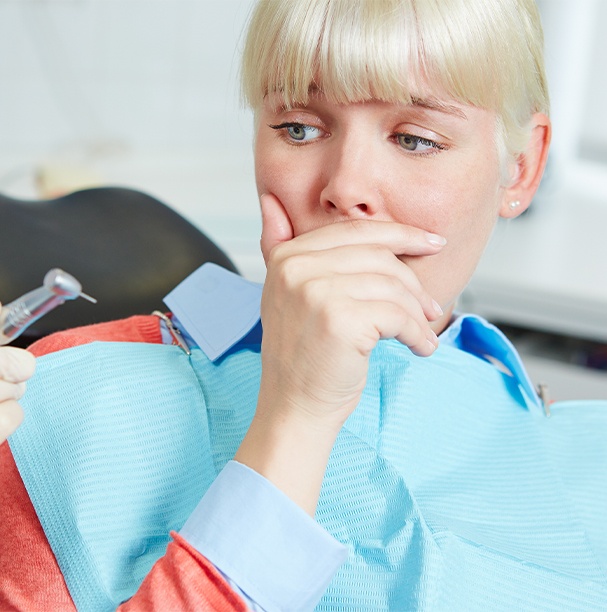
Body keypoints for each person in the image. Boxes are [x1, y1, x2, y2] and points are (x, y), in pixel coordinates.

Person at [1, 0, 606, 610]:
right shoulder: (57, 409)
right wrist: (297, 418)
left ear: (522, 169)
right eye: (299, 128)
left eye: (416, 139)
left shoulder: (564, 440)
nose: (345, 186)